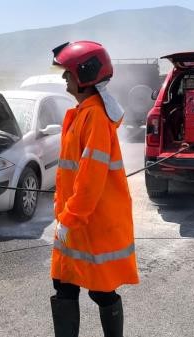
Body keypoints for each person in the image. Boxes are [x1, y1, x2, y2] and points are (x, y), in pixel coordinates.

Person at [50, 41, 139, 337]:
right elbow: (73, 173)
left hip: (91, 223)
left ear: (84, 76)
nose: (64, 78)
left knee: (101, 291)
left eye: (68, 73)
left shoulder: (95, 118)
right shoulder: (82, 113)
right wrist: (65, 214)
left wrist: (70, 217)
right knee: (64, 285)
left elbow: (90, 179)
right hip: (76, 221)